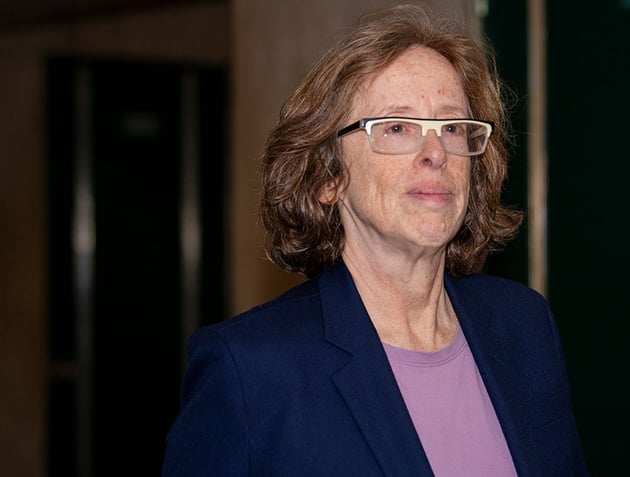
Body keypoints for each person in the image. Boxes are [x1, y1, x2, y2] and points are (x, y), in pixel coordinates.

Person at [162, 3, 588, 476]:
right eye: (397, 127)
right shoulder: (250, 370)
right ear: (328, 177)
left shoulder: (524, 326)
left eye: (452, 127)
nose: (435, 152)